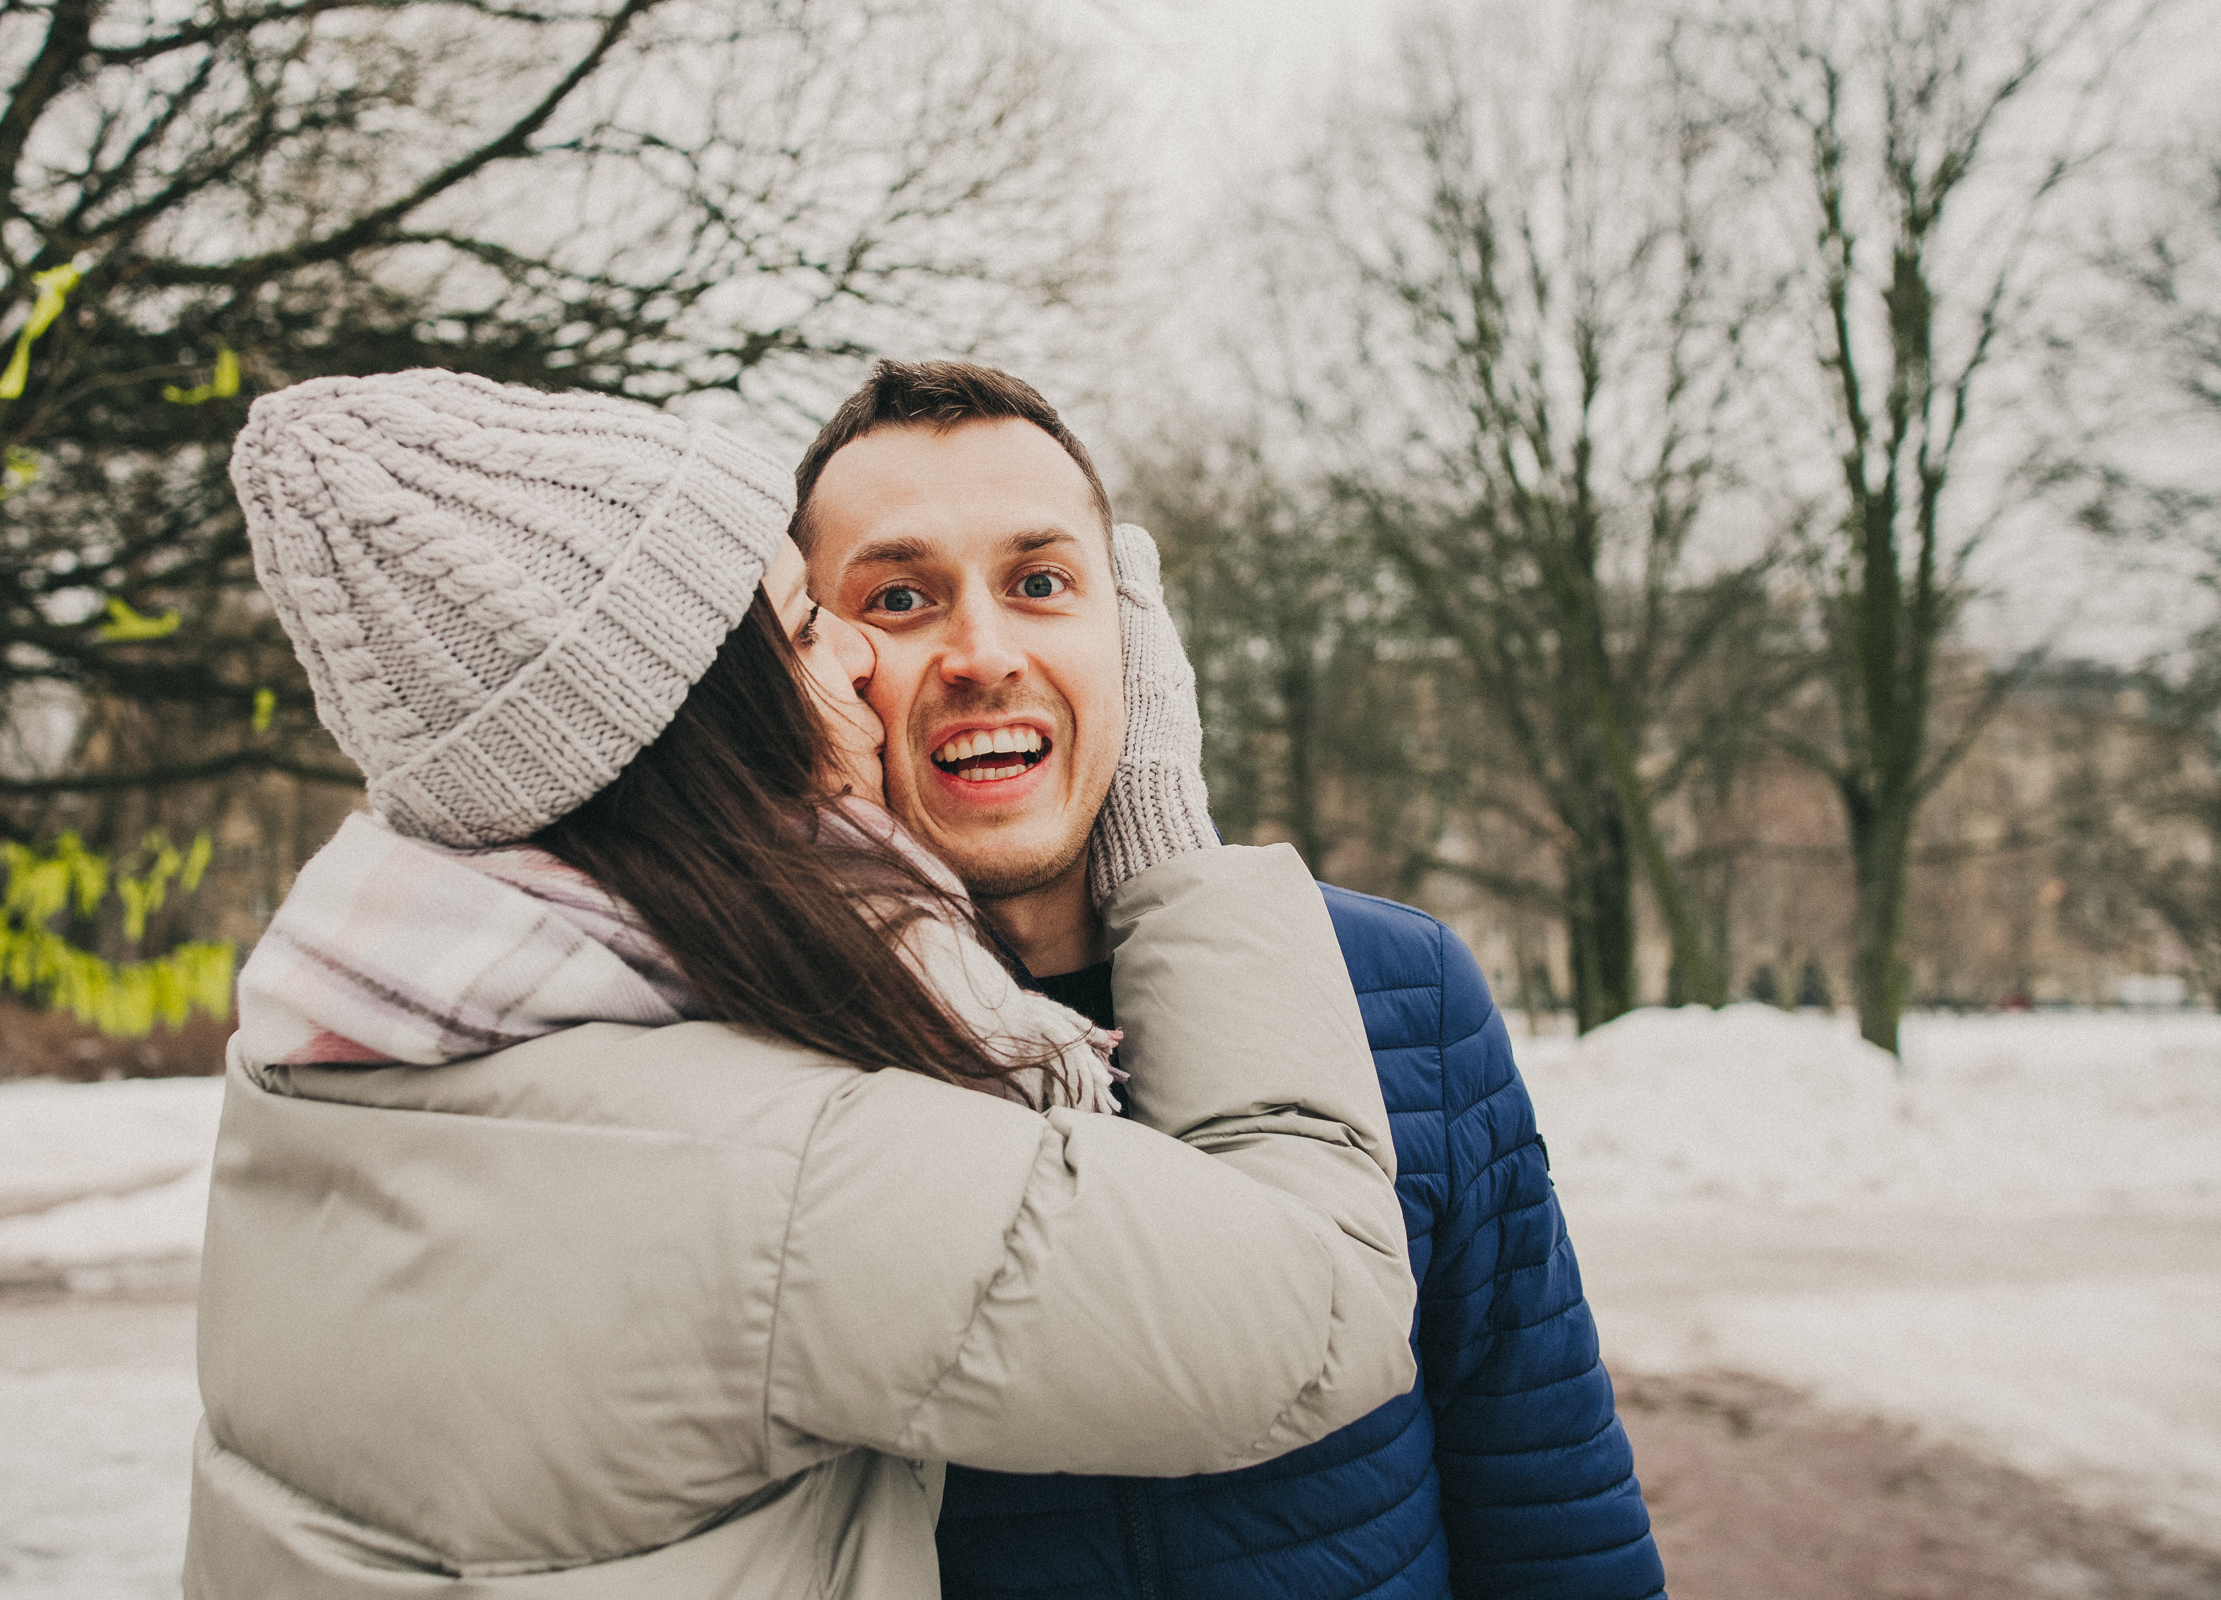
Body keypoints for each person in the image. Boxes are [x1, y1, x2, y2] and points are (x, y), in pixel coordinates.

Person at [184, 369, 1417, 1597]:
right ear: (712, 725)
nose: (870, 666)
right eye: (821, 621)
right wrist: (1164, 829)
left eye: (1042, 582)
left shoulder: (321, 1071)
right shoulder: (776, 1165)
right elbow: (1326, 1303)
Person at [792, 359, 1668, 1600]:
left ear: (1131, 640)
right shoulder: (763, 1059)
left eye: (1041, 583)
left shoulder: (1403, 994)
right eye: (899, 596)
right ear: (811, 667)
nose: (982, 652)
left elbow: (1555, 1523)